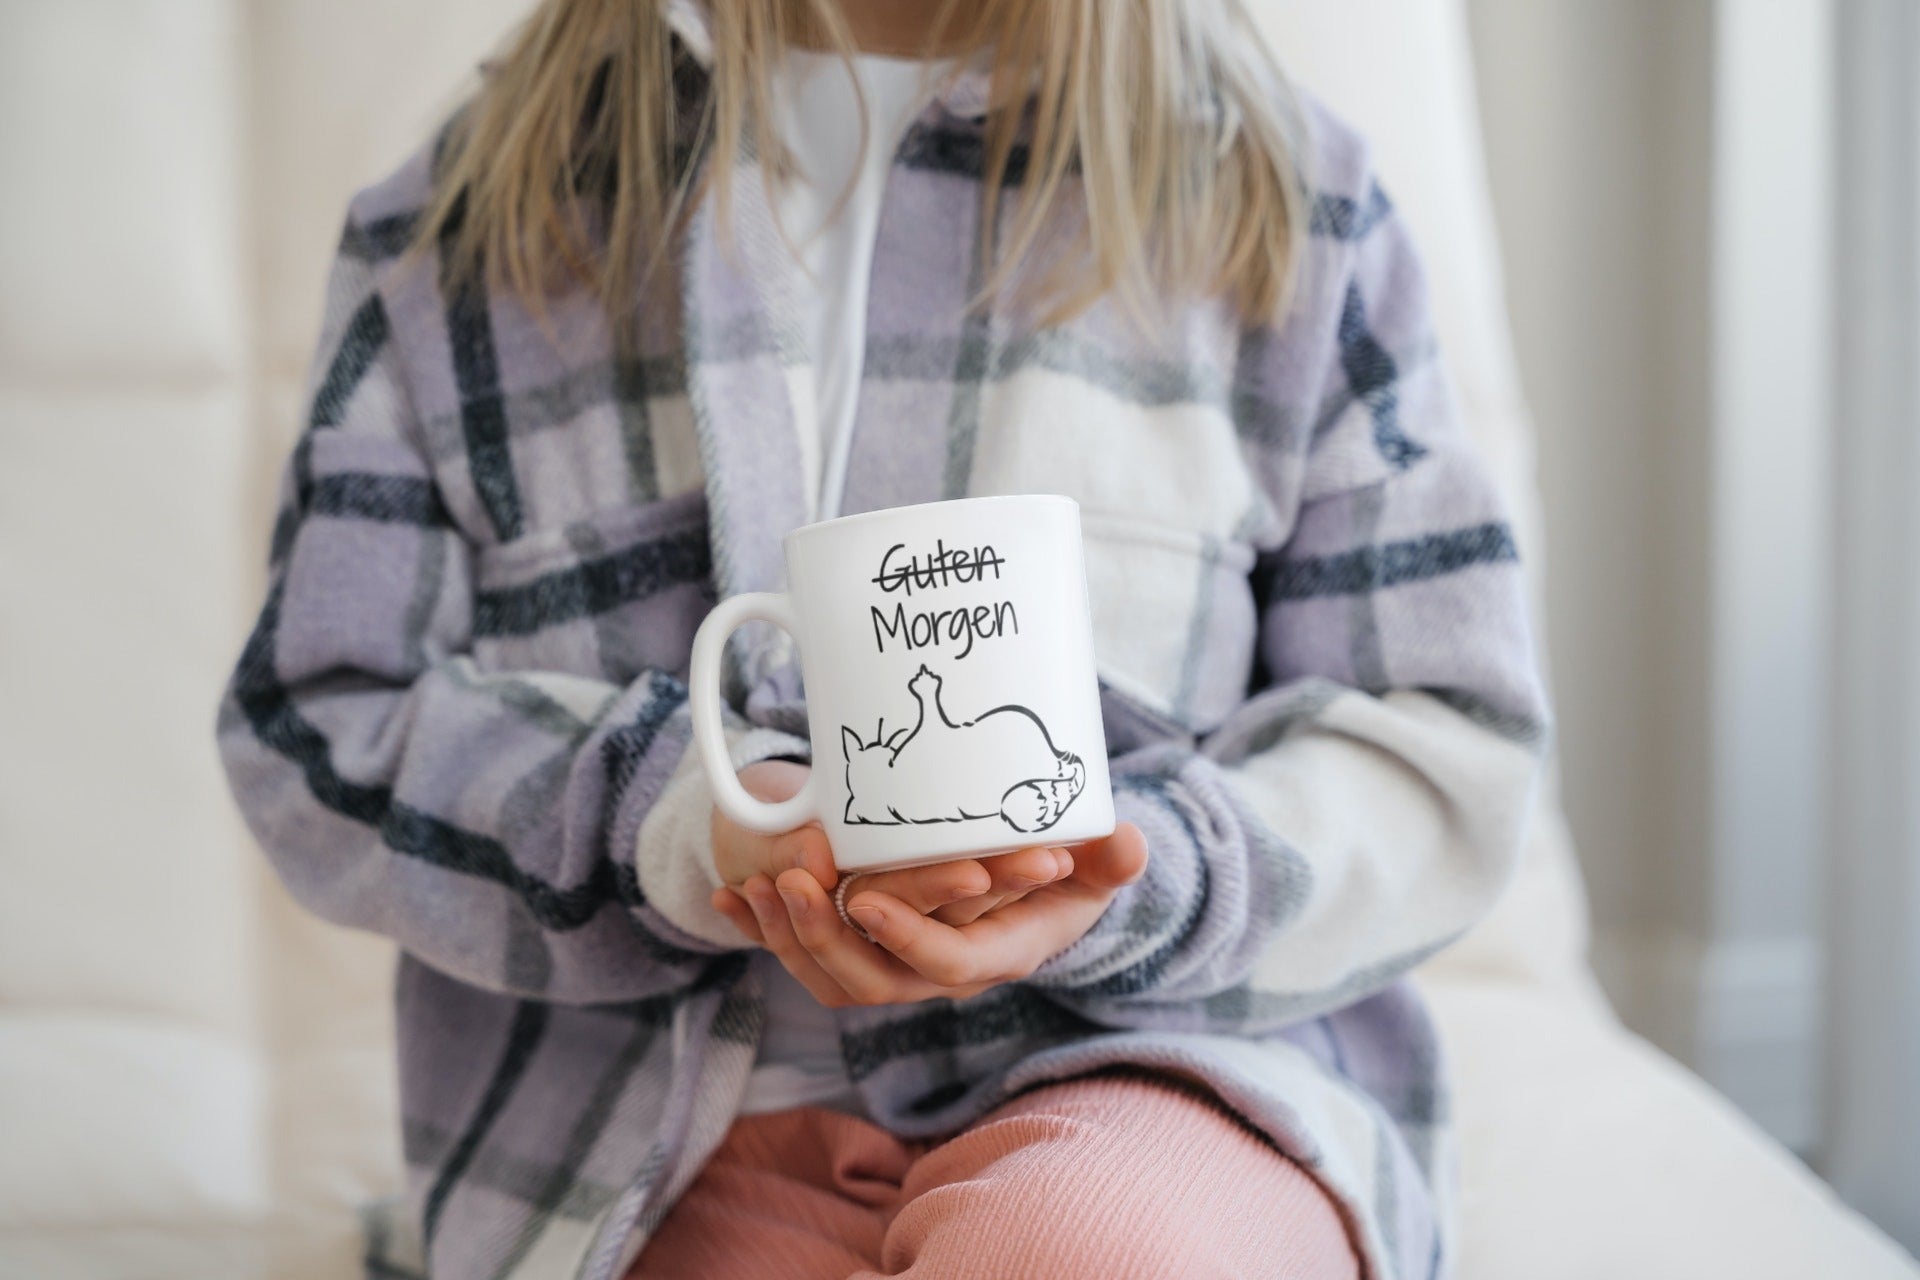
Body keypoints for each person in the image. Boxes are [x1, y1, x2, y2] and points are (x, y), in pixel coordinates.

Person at [216, 0, 1547, 1276]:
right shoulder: (459, 229)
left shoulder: (1287, 206)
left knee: (1080, 1255)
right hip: (652, 1147)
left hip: (1164, 1084)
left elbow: (1441, 737)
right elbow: (320, 724)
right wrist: (683, 820)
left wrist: (1139, 878)